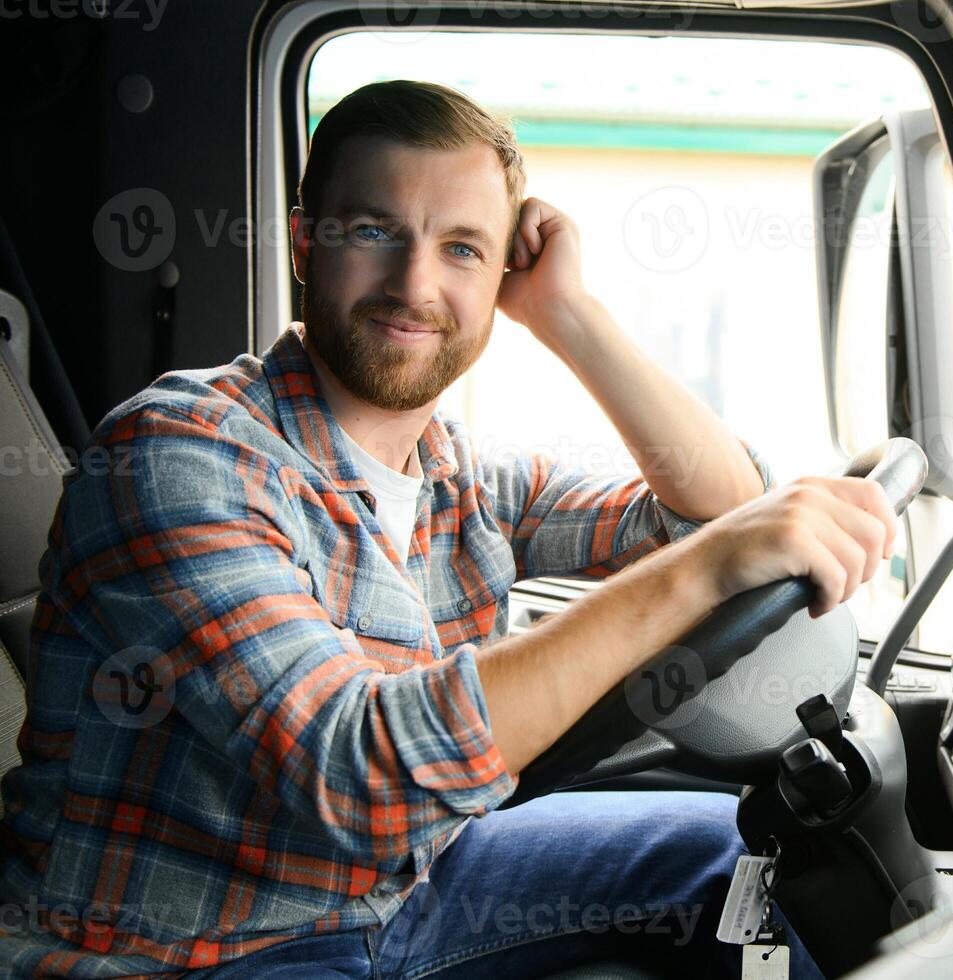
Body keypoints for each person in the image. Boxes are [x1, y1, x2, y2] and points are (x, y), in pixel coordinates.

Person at [0, 80, 894, 977]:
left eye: (461, 248)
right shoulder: (177, 453)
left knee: (732, 861)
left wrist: (566, 313)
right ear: (307, 242)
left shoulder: (451, 469)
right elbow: (355, 776)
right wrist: (699, 572)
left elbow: (715, 506)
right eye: (373, 230)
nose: (415, 284)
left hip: (399, 891)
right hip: (192, 952)